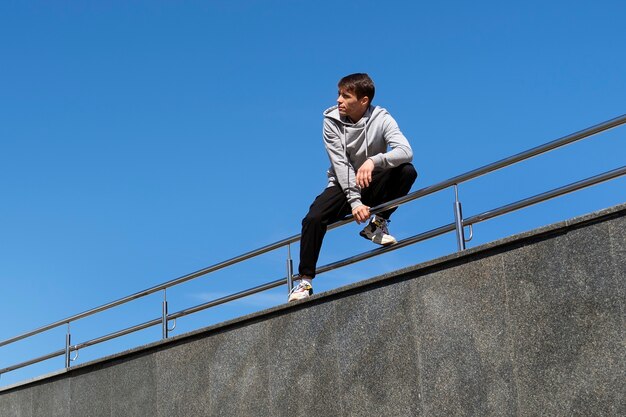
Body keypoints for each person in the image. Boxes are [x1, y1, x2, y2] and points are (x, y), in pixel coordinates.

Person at [288, 73, 417, 302]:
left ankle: (377, 225)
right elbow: (340, 164)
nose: (339, 100)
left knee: (407, 171)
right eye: (339, 94)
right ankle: (305, 282)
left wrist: (374, 161)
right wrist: (355, 202)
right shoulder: (331, 120)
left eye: (346, 96)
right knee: (313, 219)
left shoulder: (381, 117)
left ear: (363, 100)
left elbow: (406, 151)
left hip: (374, 179)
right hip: (343, 182)